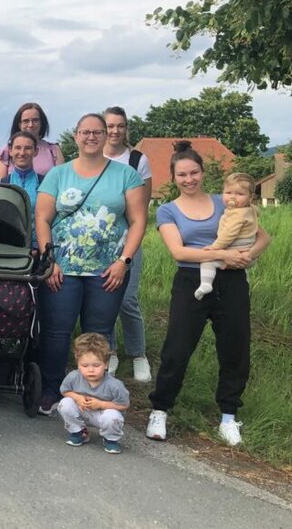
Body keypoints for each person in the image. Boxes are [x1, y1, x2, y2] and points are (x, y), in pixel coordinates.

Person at [145, 143, 269, 447]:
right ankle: (160, 409)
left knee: (235, 348)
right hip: (190, 281)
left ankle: (228, 415)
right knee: (177, 347)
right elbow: (178, 251)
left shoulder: (225, 200)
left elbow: (262, 236)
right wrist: (222, 252)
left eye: (194, 172)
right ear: (173, 177)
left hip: (232, 282)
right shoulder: (167, 210)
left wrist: (246, 256)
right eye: (182, 174)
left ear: (202, 173)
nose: (189, 179)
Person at [35, 113, 146, 415]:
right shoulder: (58, 174)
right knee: (57, 332)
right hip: (63, 269)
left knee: (98, 334)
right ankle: (52, 390)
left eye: (98, 132)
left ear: (108, 135)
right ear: (76, 136)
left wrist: (124, 260)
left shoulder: (126, 175)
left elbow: (138, 221)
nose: (92, 137)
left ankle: (95, 395)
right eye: (85, 132)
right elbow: (43, 219)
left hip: (108, 270)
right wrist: (50, 260)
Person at [102, 106, 154, 381]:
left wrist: (131, 244)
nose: (114, 131)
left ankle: (138, 354)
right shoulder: (93, 157)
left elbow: (142, 208)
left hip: (128, 241)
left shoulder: (137, 160)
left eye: (120, 125)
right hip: (99, 243)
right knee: (104, 297)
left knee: (128, 300)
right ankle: (109, 352)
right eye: (109, 125)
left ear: (126, 129)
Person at [58, 333, 130, 454]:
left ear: (106, 364)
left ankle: (110, 439)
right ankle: (79, 432)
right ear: (78, 363)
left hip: (103, 415)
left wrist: (101, 404)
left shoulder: (114, 385)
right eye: (84, 365)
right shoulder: (74, 377)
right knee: (65, 404)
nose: (90, 370)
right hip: (82, 411)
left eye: (96, 365)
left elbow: (124, 404)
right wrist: (78, 398)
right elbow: (64, 391)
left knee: (112, 417)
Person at [196, 174, 258, 300]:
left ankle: (206, 284)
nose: (233, 197)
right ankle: (245, 283)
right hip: (248, 253)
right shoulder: (248, 209)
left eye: (240, 194)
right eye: (228, 192)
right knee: (240, 271)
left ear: (250, 197)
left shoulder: (238, 214)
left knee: (207, 260)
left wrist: (215, 247)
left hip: (237, 250)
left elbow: (228, 234)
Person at [0, 131, 43, 248]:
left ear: (35, 151)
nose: (22, 153)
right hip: (7, 248)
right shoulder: (1, 184)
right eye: (18, 148)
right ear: (10, 151)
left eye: (28, 148)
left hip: (38, 250)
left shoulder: (45, 184)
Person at [0, 102, 63, 178]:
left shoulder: (53, 150)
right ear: (19, 124)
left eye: (35, 120)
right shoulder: (6, 150)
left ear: (41, 123)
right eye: (26, 121)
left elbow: (62, 183)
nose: (31, 125)